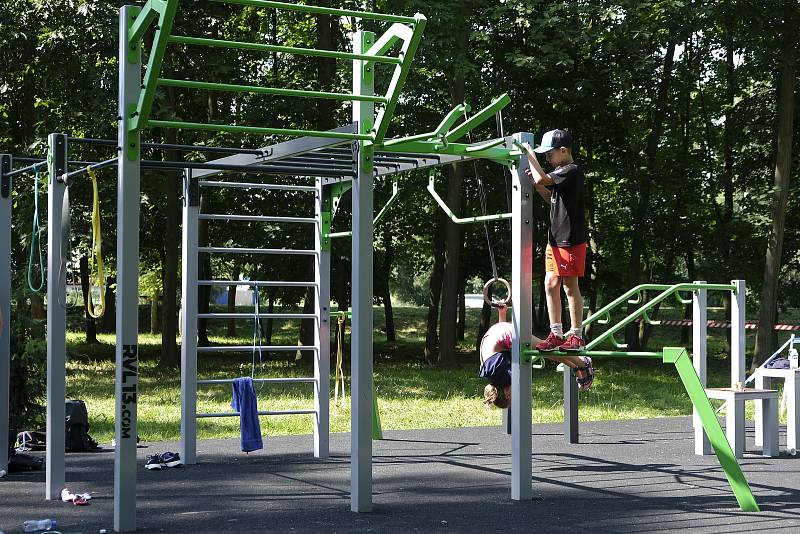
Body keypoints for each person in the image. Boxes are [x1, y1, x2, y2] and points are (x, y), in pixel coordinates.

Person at [520, 130, 588, 356]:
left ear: (563, 151)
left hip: (571, 241)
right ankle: (556, 333)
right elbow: (551, 199)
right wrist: (536, 184)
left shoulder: (571, 171)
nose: (547, 159)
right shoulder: (560, 174)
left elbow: (543, 178)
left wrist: (529, 152)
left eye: (549, 155)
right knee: (550, 284)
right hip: (555, 240)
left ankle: (576, 334)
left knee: (570, 286)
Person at [480, 305, 594, 409]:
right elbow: (497, 348)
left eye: (513, 398)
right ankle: (576, 366)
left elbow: (521, 374)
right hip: (497, 331)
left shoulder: (503, 377)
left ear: (507, 395)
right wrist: (502, 314)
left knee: (546, 351)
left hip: (506, 335)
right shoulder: (492, 375)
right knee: (545, 351)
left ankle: (582, 363)